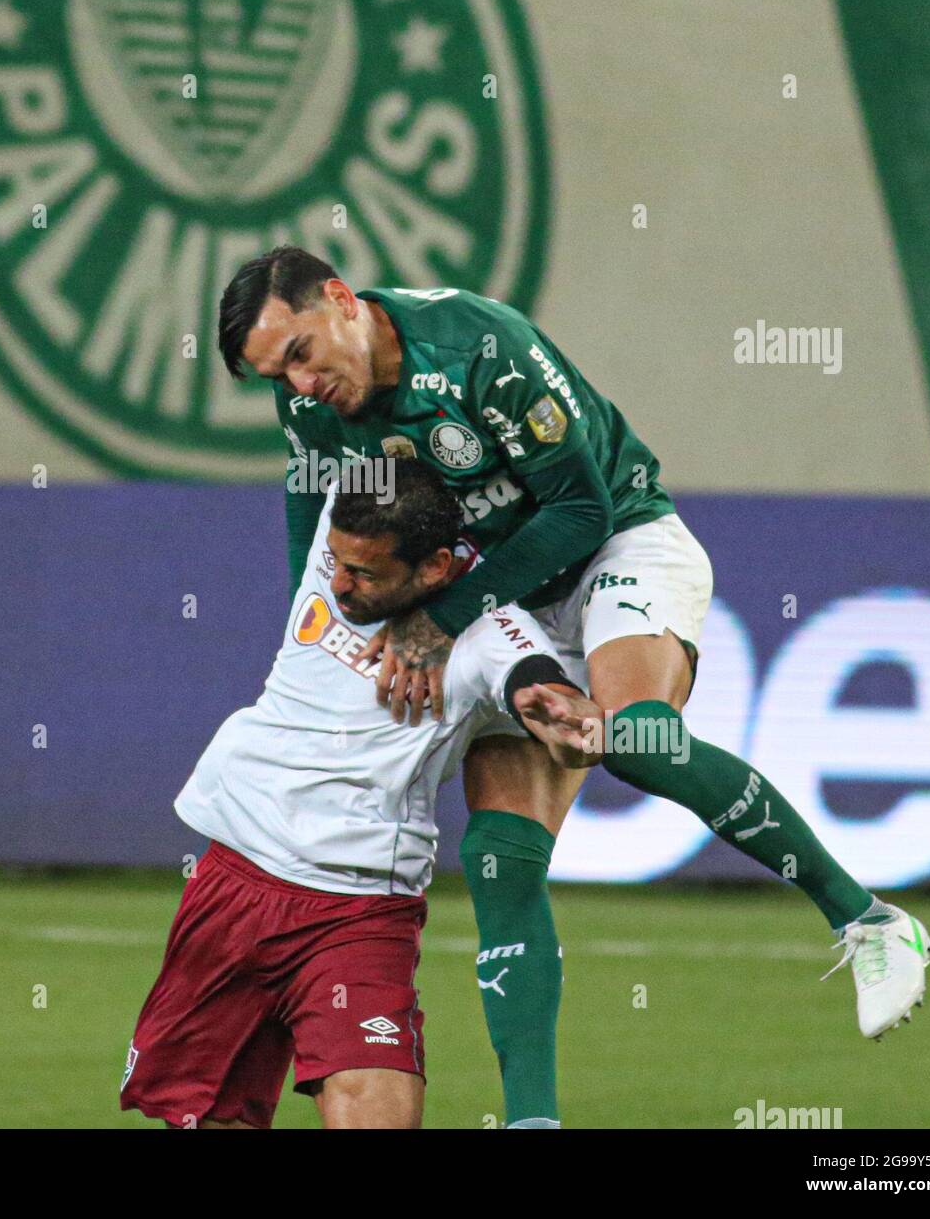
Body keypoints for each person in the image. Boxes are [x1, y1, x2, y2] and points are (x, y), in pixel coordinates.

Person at [216, 246, 930, 1097]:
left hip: (612, 547)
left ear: (341, 299)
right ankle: (533, 1121)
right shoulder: (314, 408)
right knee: (499, 856)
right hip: (499, 592)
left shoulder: (482, 350)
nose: (297, 384)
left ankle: (870, 919)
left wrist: (441, 619)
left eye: (299, 353)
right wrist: (321, 635)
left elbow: (581, 507)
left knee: (634, 742)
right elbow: (320, 523)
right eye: (276, 374)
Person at [120, 459, 586, 1129]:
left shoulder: (487, 634)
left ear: (432, 569)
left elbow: (536, 681)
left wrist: (563, 716)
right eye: (334, 562)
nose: (335, 583)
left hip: (359, 911)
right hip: (233, 877)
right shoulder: (346, 512)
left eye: (364, 574)